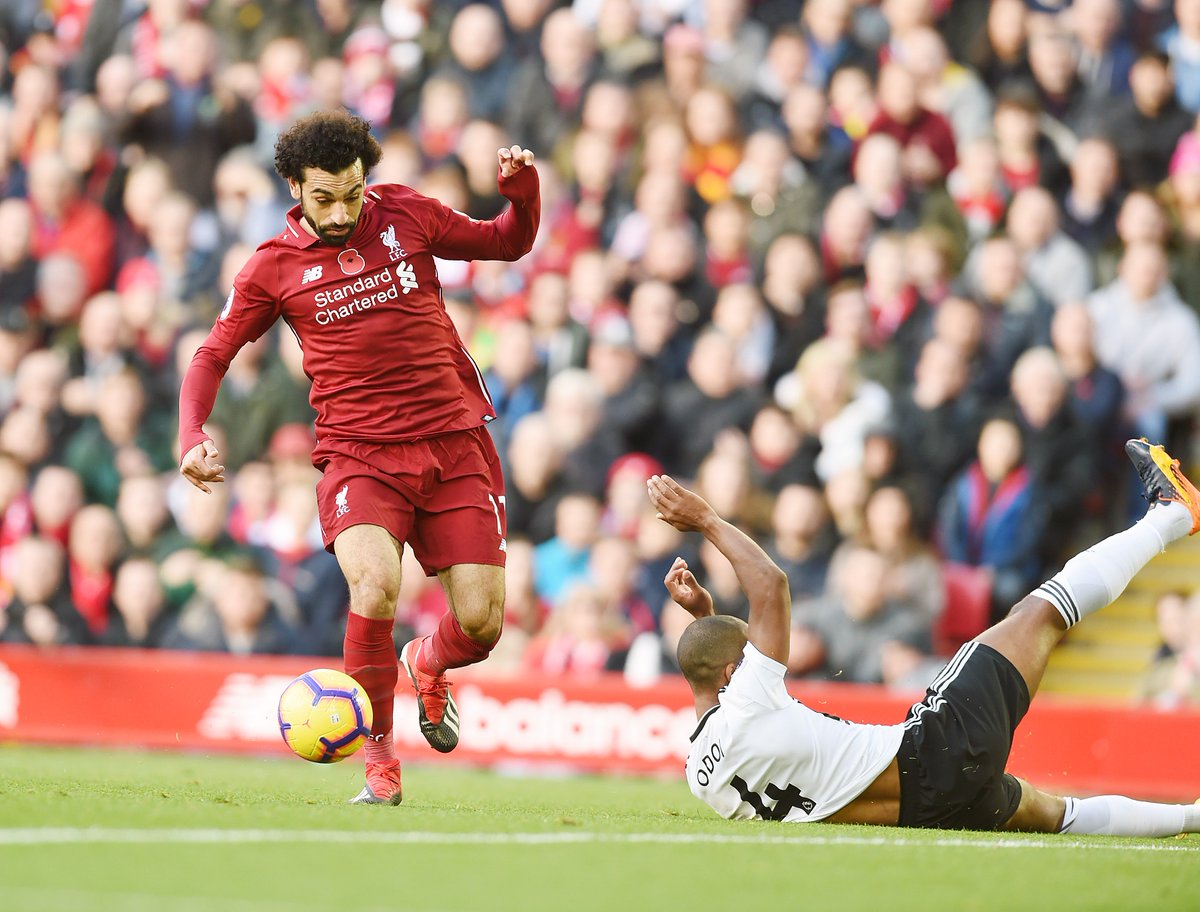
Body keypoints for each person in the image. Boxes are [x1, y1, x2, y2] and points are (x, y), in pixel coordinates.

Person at [177, 111, 540, 806]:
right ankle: (380, 763)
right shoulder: (270, 267)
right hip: (360, 455)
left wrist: (522, 192)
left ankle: (428, 664)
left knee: (483, 623)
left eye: (352, 192)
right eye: (324, 198)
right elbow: (212, 354)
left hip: (453, 441)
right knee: (373, 585)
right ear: (293, 186)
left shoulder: (407, 213)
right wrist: (192, 432)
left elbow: (508, 243)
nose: (342, 211)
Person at [648, 437, 1200, 836]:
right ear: (733, 672)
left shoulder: (701, 771)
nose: (755, 659)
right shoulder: (748, 700)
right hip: (930, 750)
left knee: (1062, 815)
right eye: (745, 654)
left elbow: (716, 674)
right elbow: (771, 585)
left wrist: (706, 617)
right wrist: (707, 521)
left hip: (930, 812)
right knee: (1040, 612)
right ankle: (1173, 515)